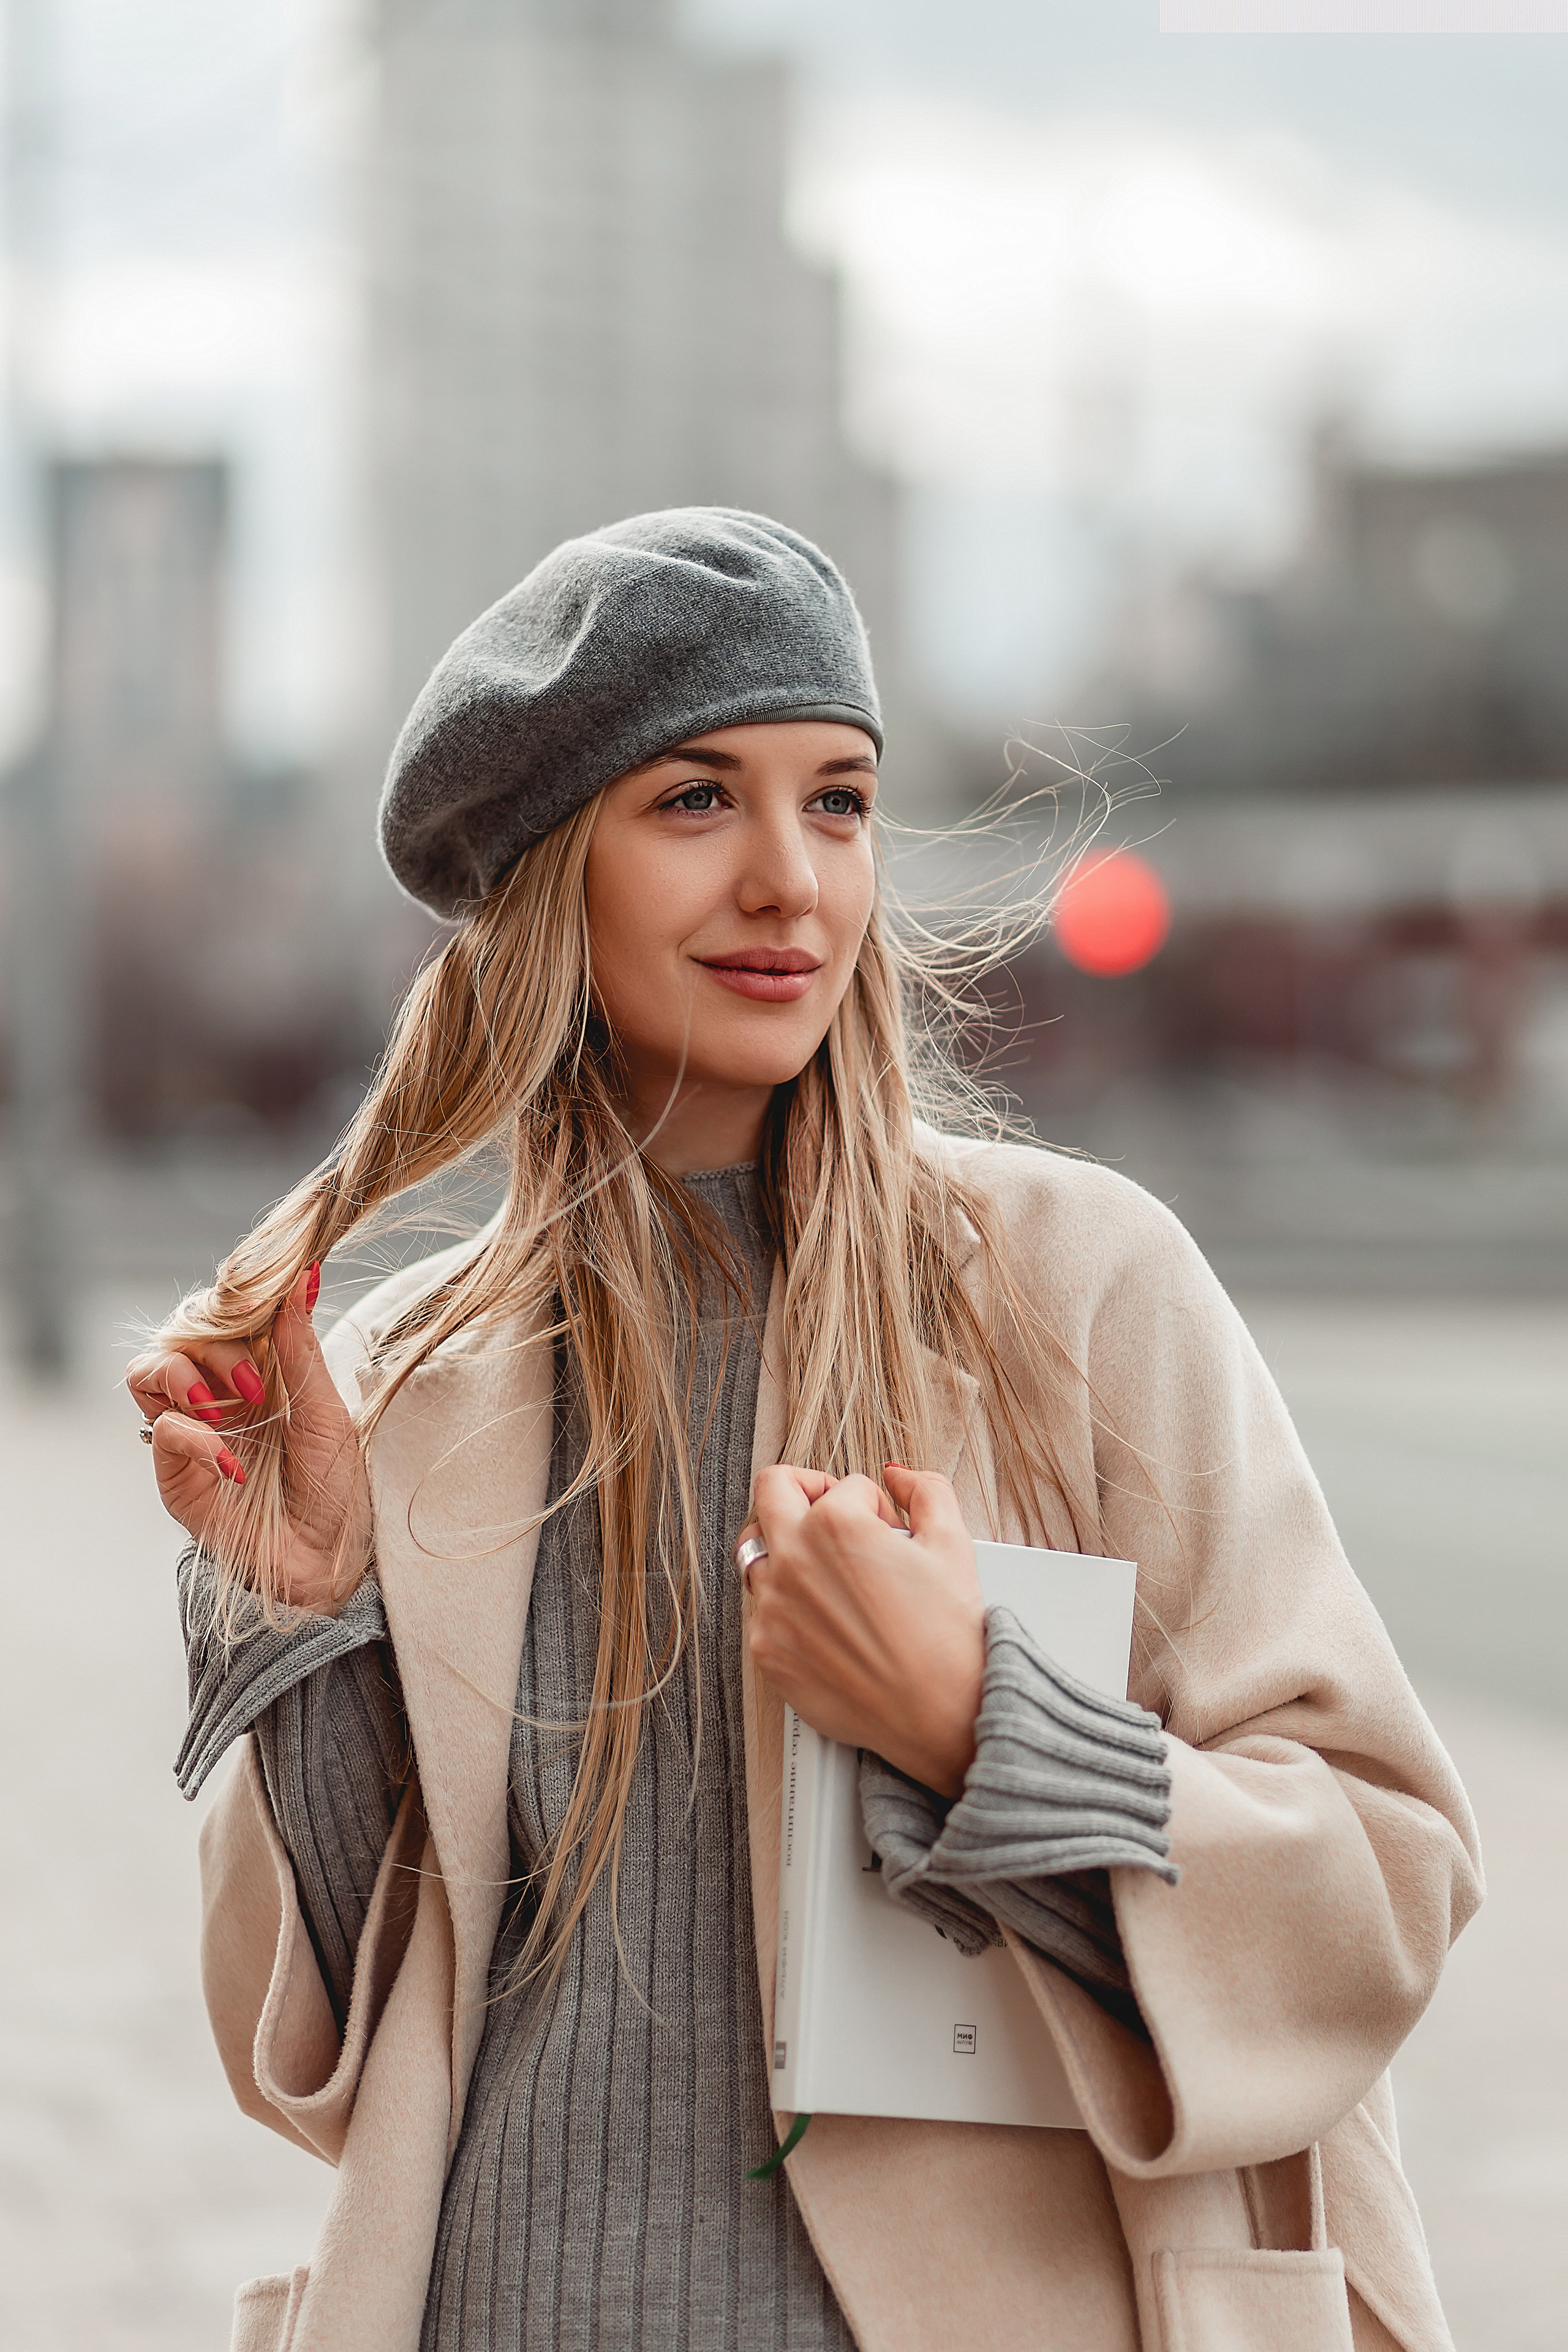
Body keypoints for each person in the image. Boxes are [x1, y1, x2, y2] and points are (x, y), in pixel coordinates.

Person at [126, 509, 1479, 2352]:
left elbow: (1384, 1883)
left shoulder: (1078, 1287)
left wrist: (982, 1728)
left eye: (836, 801)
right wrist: (307, 1620)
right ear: (549, 880)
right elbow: (311, 2061)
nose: (792, 880)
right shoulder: (398, 1373)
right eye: (696, 802)